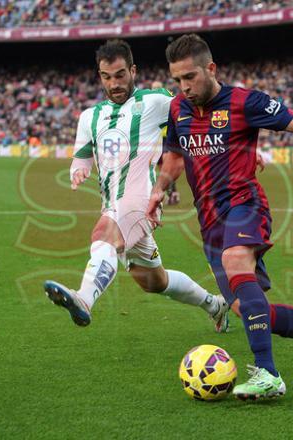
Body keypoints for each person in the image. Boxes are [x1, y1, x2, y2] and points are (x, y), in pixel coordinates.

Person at [147, 34, 293, 401]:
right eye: (177, 80)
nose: (184, 87)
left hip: (245, 206)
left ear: (211, 69)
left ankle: (269, 374)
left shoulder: (244, 102)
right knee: (250, 310)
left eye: (190, 77)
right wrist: (158, 189)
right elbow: (175, 156)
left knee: (235, 260)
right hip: (210, 223)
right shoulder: (178, 108)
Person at [43, 39, 229, 332]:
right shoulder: (88, 118)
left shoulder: (156, 101)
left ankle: (84, 299)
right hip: (112, 202)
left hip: (142, 201)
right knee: (155, 282)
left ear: (133, 70)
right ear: (99, 76)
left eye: (119, 74)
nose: (114, 83)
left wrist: (239, 144)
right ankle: (214, 304)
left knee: (104, 233)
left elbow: (203, 109)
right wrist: (78, 171)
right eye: (106, 76)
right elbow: (81, 159)